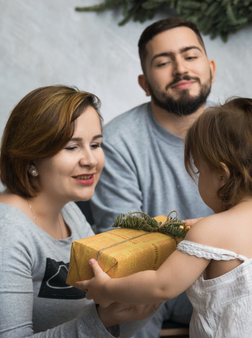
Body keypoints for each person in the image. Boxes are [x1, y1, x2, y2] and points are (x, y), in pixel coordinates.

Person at [78, 98, 252, 338]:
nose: (198, 178)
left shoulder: (210, 231)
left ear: (222, 175)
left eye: (199, 170)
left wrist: (106, 289)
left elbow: (160, 286)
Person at [0, 85, 158, 338]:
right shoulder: (5, 233)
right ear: (31, 159)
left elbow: (100, 327)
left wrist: (143, 302)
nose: (91, 160)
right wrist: (103, 318)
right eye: (72, 147)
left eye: (95, 144)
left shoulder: (69, 211)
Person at [90, 17, 216, 336]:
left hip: (219, 271)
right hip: (150, 276)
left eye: (190, 56)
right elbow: (121, 241)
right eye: (163, 62)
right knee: (130, 311)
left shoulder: (236, 131)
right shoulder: (117, 141)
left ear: (211, 67)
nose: (180, 69)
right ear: (144, 83)